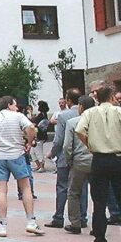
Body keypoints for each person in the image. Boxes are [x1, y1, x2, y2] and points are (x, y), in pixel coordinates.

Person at [75, 86, 121, 242]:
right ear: (112, 97)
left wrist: (89, 144)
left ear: (98, 98)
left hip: (99, 159)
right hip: (118, 158)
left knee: (99, 203)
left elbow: (79, 130)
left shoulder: (89, 113)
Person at [0, 96, 43, 237]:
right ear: (9, 104)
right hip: (16, 154)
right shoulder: (18, 116)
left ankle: (2, 225)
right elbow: (31, 127)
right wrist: (29, 142)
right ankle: (31, 221)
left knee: (1, 191)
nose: (17, 107)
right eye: (15, 104)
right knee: (25, 187)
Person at [47, 89, 84, 228]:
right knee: (81, 188)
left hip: (64, 156)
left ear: (68, 101)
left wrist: (53, 153)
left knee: (62, 187)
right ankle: (82, 217)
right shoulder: (88, 114)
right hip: (82, 157)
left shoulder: (63, 116)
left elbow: (59, 140)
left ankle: (59, 217)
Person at [63, 96, 95, 234]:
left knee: (74, 192)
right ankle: (98, 224)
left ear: (80, 106)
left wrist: (70, 160)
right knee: (98, 193)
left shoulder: (73, 122)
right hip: (97, 160)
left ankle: (75, 222)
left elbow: (67, 146)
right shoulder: (98, 121)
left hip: (79, 162)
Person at [31, 100, 51, 172]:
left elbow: (35, 124)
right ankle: (38, 165)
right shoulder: (44, 115)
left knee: (38, 151)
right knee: (33, 151)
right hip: (41, 135)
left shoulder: (40, 116)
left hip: (39, 136)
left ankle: (41, 166)